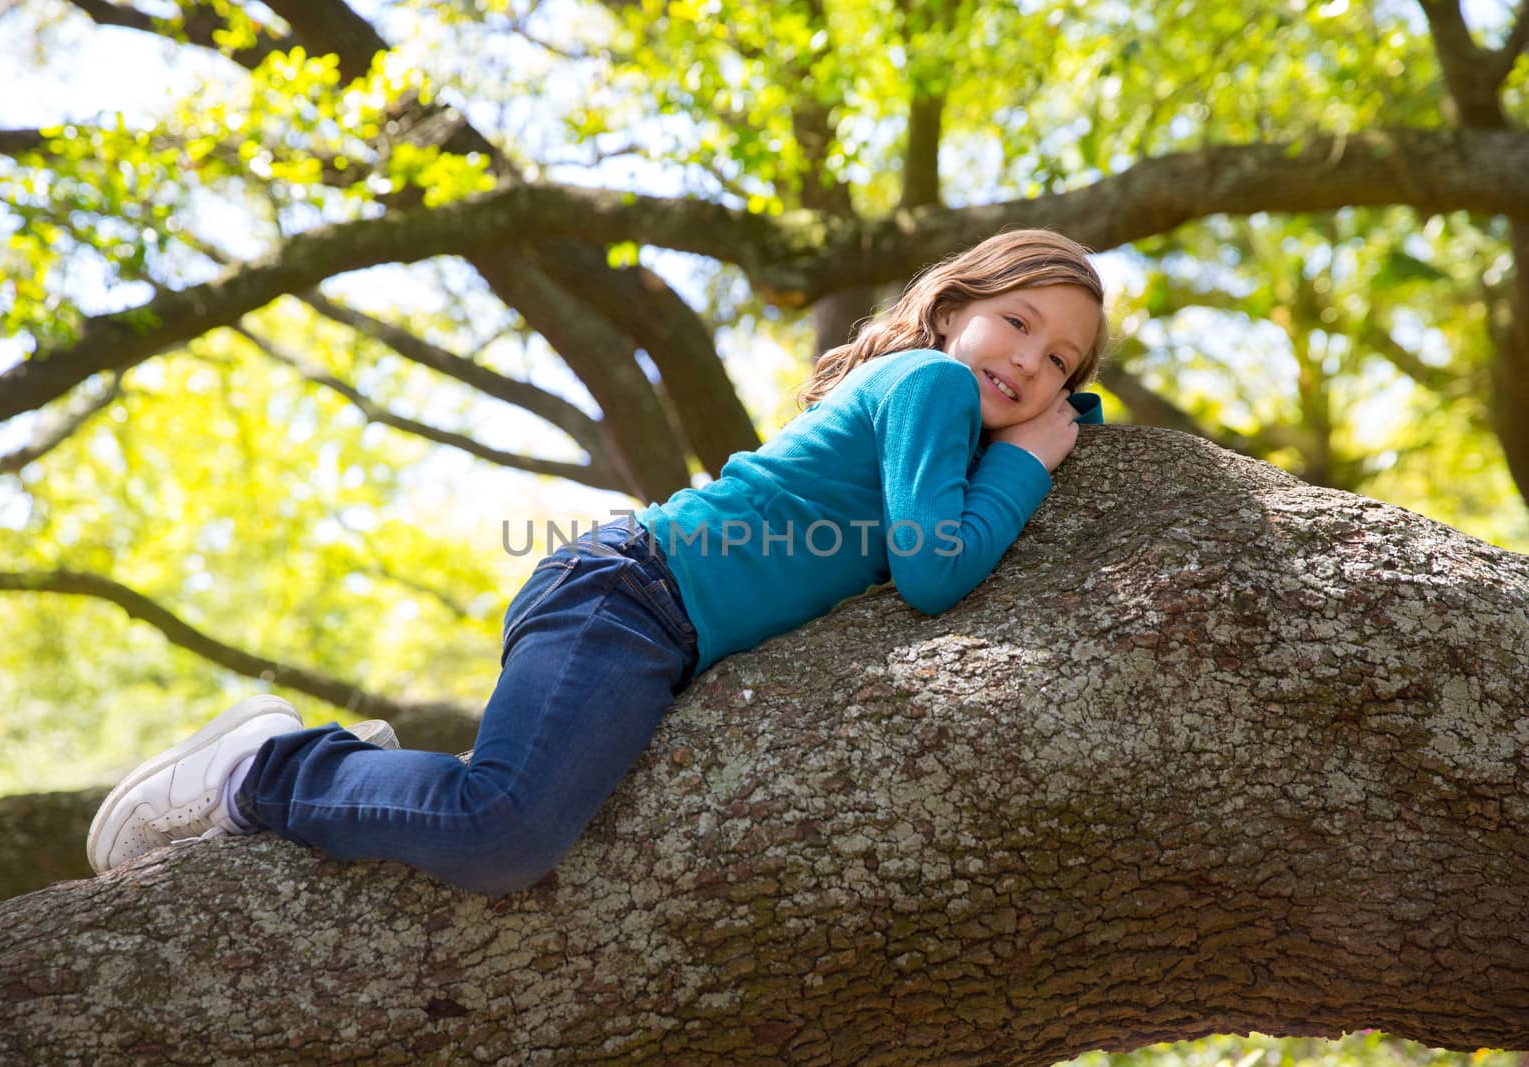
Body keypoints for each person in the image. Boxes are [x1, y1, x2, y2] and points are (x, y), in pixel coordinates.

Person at [86, 228, 1110, 895]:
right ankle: (263, 766)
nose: (1029, 360)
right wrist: (1026, 457)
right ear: (951, 308)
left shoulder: (938, 421)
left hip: (652, 621)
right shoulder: (927, 383)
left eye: (1059, 360)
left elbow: (959, 516)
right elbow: (935, 572)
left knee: (519, 831)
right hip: (628, 593)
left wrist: (1059, 432)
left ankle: (329, 764)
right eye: (1017, 322)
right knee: (504, 826)